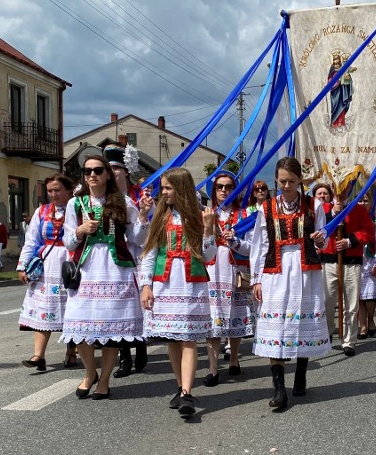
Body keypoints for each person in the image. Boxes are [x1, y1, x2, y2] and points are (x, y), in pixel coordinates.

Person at [60, 155, 153, 400]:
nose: (92, 175)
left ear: (108, 174)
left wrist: (143, 215)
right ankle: (90, 373)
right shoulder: (75, 204)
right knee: (78, 323)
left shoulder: (122, 201)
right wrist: (80, 230)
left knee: (112, 329)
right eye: (87, 171)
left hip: (115, 269)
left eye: (98, 170)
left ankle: (104, 379)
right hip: (87, 269)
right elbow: (67, 239)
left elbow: (137, 238)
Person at [250, 157, 329, 409]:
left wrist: (319, 239)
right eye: (282, 181)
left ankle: (301, 373)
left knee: (301, 319)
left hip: (305, 270)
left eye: (291, 181)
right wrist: (256, 279)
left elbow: (324, 241)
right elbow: (260, 245)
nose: (286, 186)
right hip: (276, 270)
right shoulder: (267, 208)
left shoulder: (313, 205)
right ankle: (279, 389)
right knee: (277, 326)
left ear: (300, 181)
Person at [139, 168, 211, 417]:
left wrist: (209, 230)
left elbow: (209, 256)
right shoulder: (160, 217)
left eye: (168, 188)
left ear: (180, 188)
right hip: (166, 282)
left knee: (189, 337)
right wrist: (146, 285)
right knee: (172, 338)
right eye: (163, 187)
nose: (163, 192)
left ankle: (187, 392)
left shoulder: (199, 216)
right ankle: (180, 386)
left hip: (191, 283)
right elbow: (149, 254)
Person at [16, 174, 77, 371]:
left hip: (71, 262)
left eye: (57, 190)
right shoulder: (42, 212)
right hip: (47, 264)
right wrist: (22, 265)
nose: (53, 194)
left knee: (72, 308)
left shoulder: (78, 209)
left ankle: (71, 350)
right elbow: (32, 240)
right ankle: (38, 355)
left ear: (69, 190)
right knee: (44, 310)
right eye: (50, 190)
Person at [201, 170, 254, 386]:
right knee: (213, 320)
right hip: (212, 273)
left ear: (235, 190)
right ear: (214, 190)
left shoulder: (244, 215)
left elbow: (253, 248)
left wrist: (236, 242)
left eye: (228, 187)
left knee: (235, 315)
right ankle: (213, 368)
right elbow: (199, 246)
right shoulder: (206, 214)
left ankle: (234, 359)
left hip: (235, 271)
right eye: (220, 187)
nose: (224, 190)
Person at [104, 144, 150, 378]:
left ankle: (140, 345)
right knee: (118, 307)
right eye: (108, 168)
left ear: (125, 170)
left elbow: (143, 233)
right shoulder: (104, 197)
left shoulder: (140, 195)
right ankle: (124, 357)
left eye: (116, 168)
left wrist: (143, 214)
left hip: (138, 256)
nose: (112, 173)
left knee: (137, 306)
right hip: (114, 259)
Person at [320, 184, 375, 356]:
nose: (340, 191)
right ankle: (328, 332)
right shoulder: (323, 209)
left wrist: (350, 241)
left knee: (351, 303)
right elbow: (319, 229)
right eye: (337, 187)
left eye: (344, 188)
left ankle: (349, 340)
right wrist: (333, 214)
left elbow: (368, 231)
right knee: (327, 300)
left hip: (351, 261)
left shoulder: (358, 209)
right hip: (329, 260)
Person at [357, 193, 376, 338]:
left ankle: (371, 319)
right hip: (357, 260)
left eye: (365, 201)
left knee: (370, 297)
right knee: (360, 297)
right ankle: (363, 326)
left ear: (370, 203)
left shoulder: (375, 220)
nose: (362, 203)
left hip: (371, 260)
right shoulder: (353, 219)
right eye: (359, 200)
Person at [328, 52, 355, 127]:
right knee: (336, 108)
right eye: (335, 62)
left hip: (343, 93)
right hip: (336, 93)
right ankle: (335, 123)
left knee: (342, 107)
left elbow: (348, 80)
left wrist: (347, 80)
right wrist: (338, 81)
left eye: (338, 62)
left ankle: (341, 123)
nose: (337, 64)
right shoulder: (332, 71)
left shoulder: (343, 69)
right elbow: (330, 82)